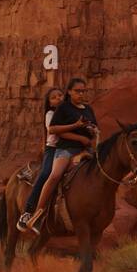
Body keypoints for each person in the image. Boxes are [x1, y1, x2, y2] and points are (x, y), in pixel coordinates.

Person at [27, 77, 97, 233]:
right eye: (78, 91)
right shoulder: (63, 108)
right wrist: (79, 134)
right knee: (54, 175)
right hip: (66, 149)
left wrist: (92, 131)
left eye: (84, 91)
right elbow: (53, 130)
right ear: (70, 92)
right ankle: (38, 215)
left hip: (85, 149)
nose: (81, 94)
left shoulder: (88, 109)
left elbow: (94, 128)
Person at [16, 87, 65, 233]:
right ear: (49, 103)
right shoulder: (50, 114)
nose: (59, 98)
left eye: (60, 95)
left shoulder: (70, 112)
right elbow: (53, 129)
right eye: (54, 97)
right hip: (53, 149)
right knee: (45, 174)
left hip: (69, 149)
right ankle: (28, 211)